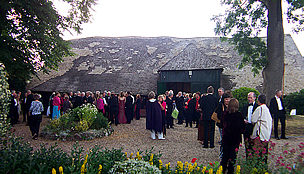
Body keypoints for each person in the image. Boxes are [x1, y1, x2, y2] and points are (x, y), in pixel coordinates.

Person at [220, 98, 245, 174]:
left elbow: (221, 124)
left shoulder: (225, 114)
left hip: (226, 137)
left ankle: (222, 170)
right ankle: (230, 171)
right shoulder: (239, 115)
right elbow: (242, 129)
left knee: (225, 155)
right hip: (235, 139)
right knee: (233, 157)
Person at [251, 94, 273, 163]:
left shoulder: (259, 109)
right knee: (264, 152)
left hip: (260, 134)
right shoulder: (267, 109)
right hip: (267, 133)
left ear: (258, 101)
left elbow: (253, 120)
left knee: (259, 152)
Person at [241, 92, 259, 157]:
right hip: (246, 128)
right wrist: (243, 120)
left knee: (254, 144)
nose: (249, 99)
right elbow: (242, 116)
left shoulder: (257, 107)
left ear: (254, 98)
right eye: (248, 97)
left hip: (254, 127)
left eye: (251, 97)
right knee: (247, 144)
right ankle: (248, 158)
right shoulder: (245, 106)